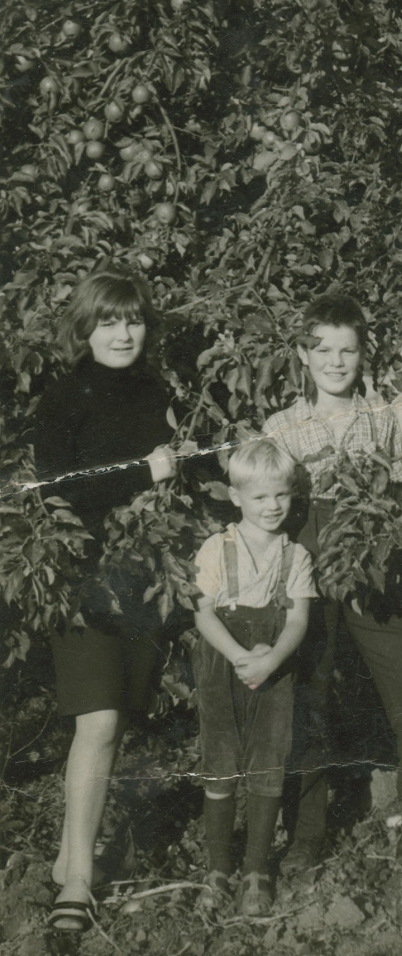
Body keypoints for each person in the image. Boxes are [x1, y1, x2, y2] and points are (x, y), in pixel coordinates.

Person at [263, 295, 402, 873]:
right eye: (323, 351)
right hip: (306, 565)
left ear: (362, 355)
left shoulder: (381, 417)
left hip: (371, 563)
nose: (336, 362)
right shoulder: (281, 427)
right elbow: (266, 507)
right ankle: (305, 834)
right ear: (303, 355)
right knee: (308, 693)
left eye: (348, 351)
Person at [33, 270, 179, 933]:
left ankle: (70, 860)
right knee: (97, 720)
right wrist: (144, 472)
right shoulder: (64, 397)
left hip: (140, 577)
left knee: (112, 724)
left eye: (133, 320)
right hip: (83, 580)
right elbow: (55, 490)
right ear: (84, 329)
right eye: (109, 321)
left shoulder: (157, 391)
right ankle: (79, 884)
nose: (123, 334)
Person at [192, 439, 316, 916]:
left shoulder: (295, 556)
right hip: (222, 666)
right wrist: (241, 656)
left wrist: (271, 659)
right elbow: (203, 613)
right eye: (260, 496)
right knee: (220, 762)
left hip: (274, 669)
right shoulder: (216, 548)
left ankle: (256, 870)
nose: (272, 506)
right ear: (235, 496)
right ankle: (218, 869)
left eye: (281, 495)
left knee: (268, 762)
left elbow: (298, 621)